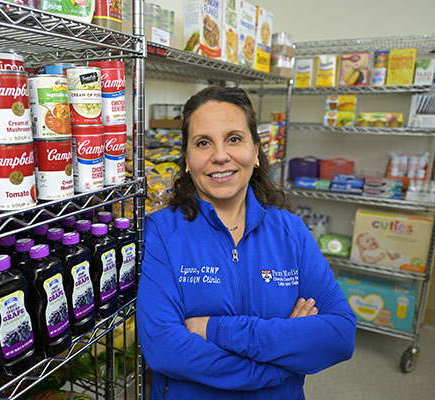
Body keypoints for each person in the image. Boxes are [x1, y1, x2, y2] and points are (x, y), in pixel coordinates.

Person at [136, 86, 356, 399]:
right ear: (186, 158)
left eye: (234, 139)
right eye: (203, 143)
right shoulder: (162, 231)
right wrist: (278, 364)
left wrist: (213, 329)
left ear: (255, 151)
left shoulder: (290, 231)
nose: (220, 156)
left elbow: (340, 335)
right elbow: (163, 349)